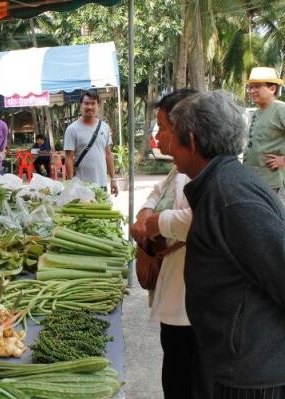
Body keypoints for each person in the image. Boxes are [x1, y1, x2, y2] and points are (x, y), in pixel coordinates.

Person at [168, 90, 285, 397]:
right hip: (236, 364)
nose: (167, 148)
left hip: (252, 375)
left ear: (191, 141)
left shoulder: (232, 197)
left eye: (173, 137)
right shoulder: (221, 185)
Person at [130, 89, 210, 399]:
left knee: (186, 379)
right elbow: (156, 190)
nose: (158, 135)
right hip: (174, 300)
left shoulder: (207, 176)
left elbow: (197, 219)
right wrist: (147, 212)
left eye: (163, 126)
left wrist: (156, 223)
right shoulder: (182, 168)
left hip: (190, 306)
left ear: (186, 130)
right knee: (175, 373)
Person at [64, 89, 118, 196]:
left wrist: (113, 179)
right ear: (81, 105)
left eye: (93, 103)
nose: (89, 107)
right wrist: (70, 183)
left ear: (98, 105)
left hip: (101, 184)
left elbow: (108, 155)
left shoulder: (104, 127)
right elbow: (69, 157)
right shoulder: (72, 129)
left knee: (102, 212)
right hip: (82, 185)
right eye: (86, 103)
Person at [243, 66, 285, 204]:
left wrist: (283, 160)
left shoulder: (280, 109)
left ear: (272, 88)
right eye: (250, 87)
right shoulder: (256, 112)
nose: (252, 91)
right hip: (251, 178)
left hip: (269, 182)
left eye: (257, 87)